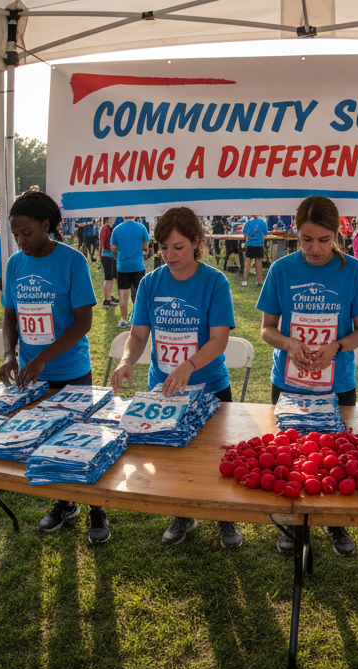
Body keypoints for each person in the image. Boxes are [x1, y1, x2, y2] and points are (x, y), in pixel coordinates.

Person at [111, 207, 242, 548]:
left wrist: (189, 365)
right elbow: (138, 335)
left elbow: (219, 339)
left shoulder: (215, 281)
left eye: (179, 247)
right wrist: (127, 360)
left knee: (218, 455)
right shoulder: (152, 283)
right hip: (164, 390)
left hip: (210, 387)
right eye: (163, 248)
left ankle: (224, 517)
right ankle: (182, 513)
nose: (170, 255)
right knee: (173, 456)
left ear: (197, 243)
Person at [258, 195, 358, 557]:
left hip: (337, 385)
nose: (315, 248)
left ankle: (335, 522)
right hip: (289, 383)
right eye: (306, 239)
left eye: (324, 240)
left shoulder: (354, 270)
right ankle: (294, 526)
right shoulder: (282, 269)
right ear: (296, 233)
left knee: (336, 458)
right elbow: (266, 329)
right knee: (291, 457)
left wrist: (337, 347)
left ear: (337, 234)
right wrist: (288, 342)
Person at [0, 189, 107, 544]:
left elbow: (83, 323)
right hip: (33, 376)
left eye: (26, 233)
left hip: (72, 372)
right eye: (15, 235)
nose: (21, 240)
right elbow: (10, 317)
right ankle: (64, 503)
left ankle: (96, 509)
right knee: (47, 443)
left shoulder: (72, 261)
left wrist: (45, 356)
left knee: (83, 442)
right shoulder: (15, 264)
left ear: (46, 225)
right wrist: (9, 355)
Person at [110, 216, 150, 328]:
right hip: (138, 265)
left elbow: (113, 247)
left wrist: (119, 255)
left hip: (123, 266)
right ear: (135, 215)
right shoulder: (141, 227)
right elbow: (145, 246)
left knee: (123, 294)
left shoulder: (117, 229)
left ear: (123, 216)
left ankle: (123, 320)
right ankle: (138, 318)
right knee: (139, 293)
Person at [241, 215, 268, 287]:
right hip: (259, 245)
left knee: (247, 263)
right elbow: (265, 233)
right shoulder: (262, 222)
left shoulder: (248, 223)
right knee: (259, 264)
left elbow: (244, 234)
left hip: (250, 244)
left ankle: (245, 281)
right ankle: (259, 281)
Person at [99, 217, 118, 307]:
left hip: (105, 255)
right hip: (109, 255)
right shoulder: (108, 229)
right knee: (109, 278)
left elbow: (101, 244)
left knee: (110, 277)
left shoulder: (103, 228)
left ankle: (109, 297)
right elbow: (111, 244)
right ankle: (107, 300)